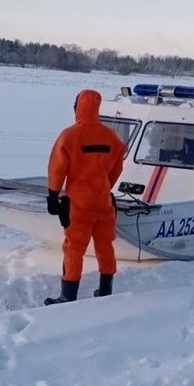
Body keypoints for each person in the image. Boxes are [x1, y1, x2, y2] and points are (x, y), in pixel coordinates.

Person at [44, 89, 126, 305]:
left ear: (77, 108)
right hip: (103, 202)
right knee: (105, 245)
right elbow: (117, 167)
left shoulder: (69, 136)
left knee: (74, 248)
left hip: (78, 204)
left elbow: (57, 168)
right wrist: (105, 185)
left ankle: (68, 295)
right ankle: (105, 290)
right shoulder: (111, 137)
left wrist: (53, 195)